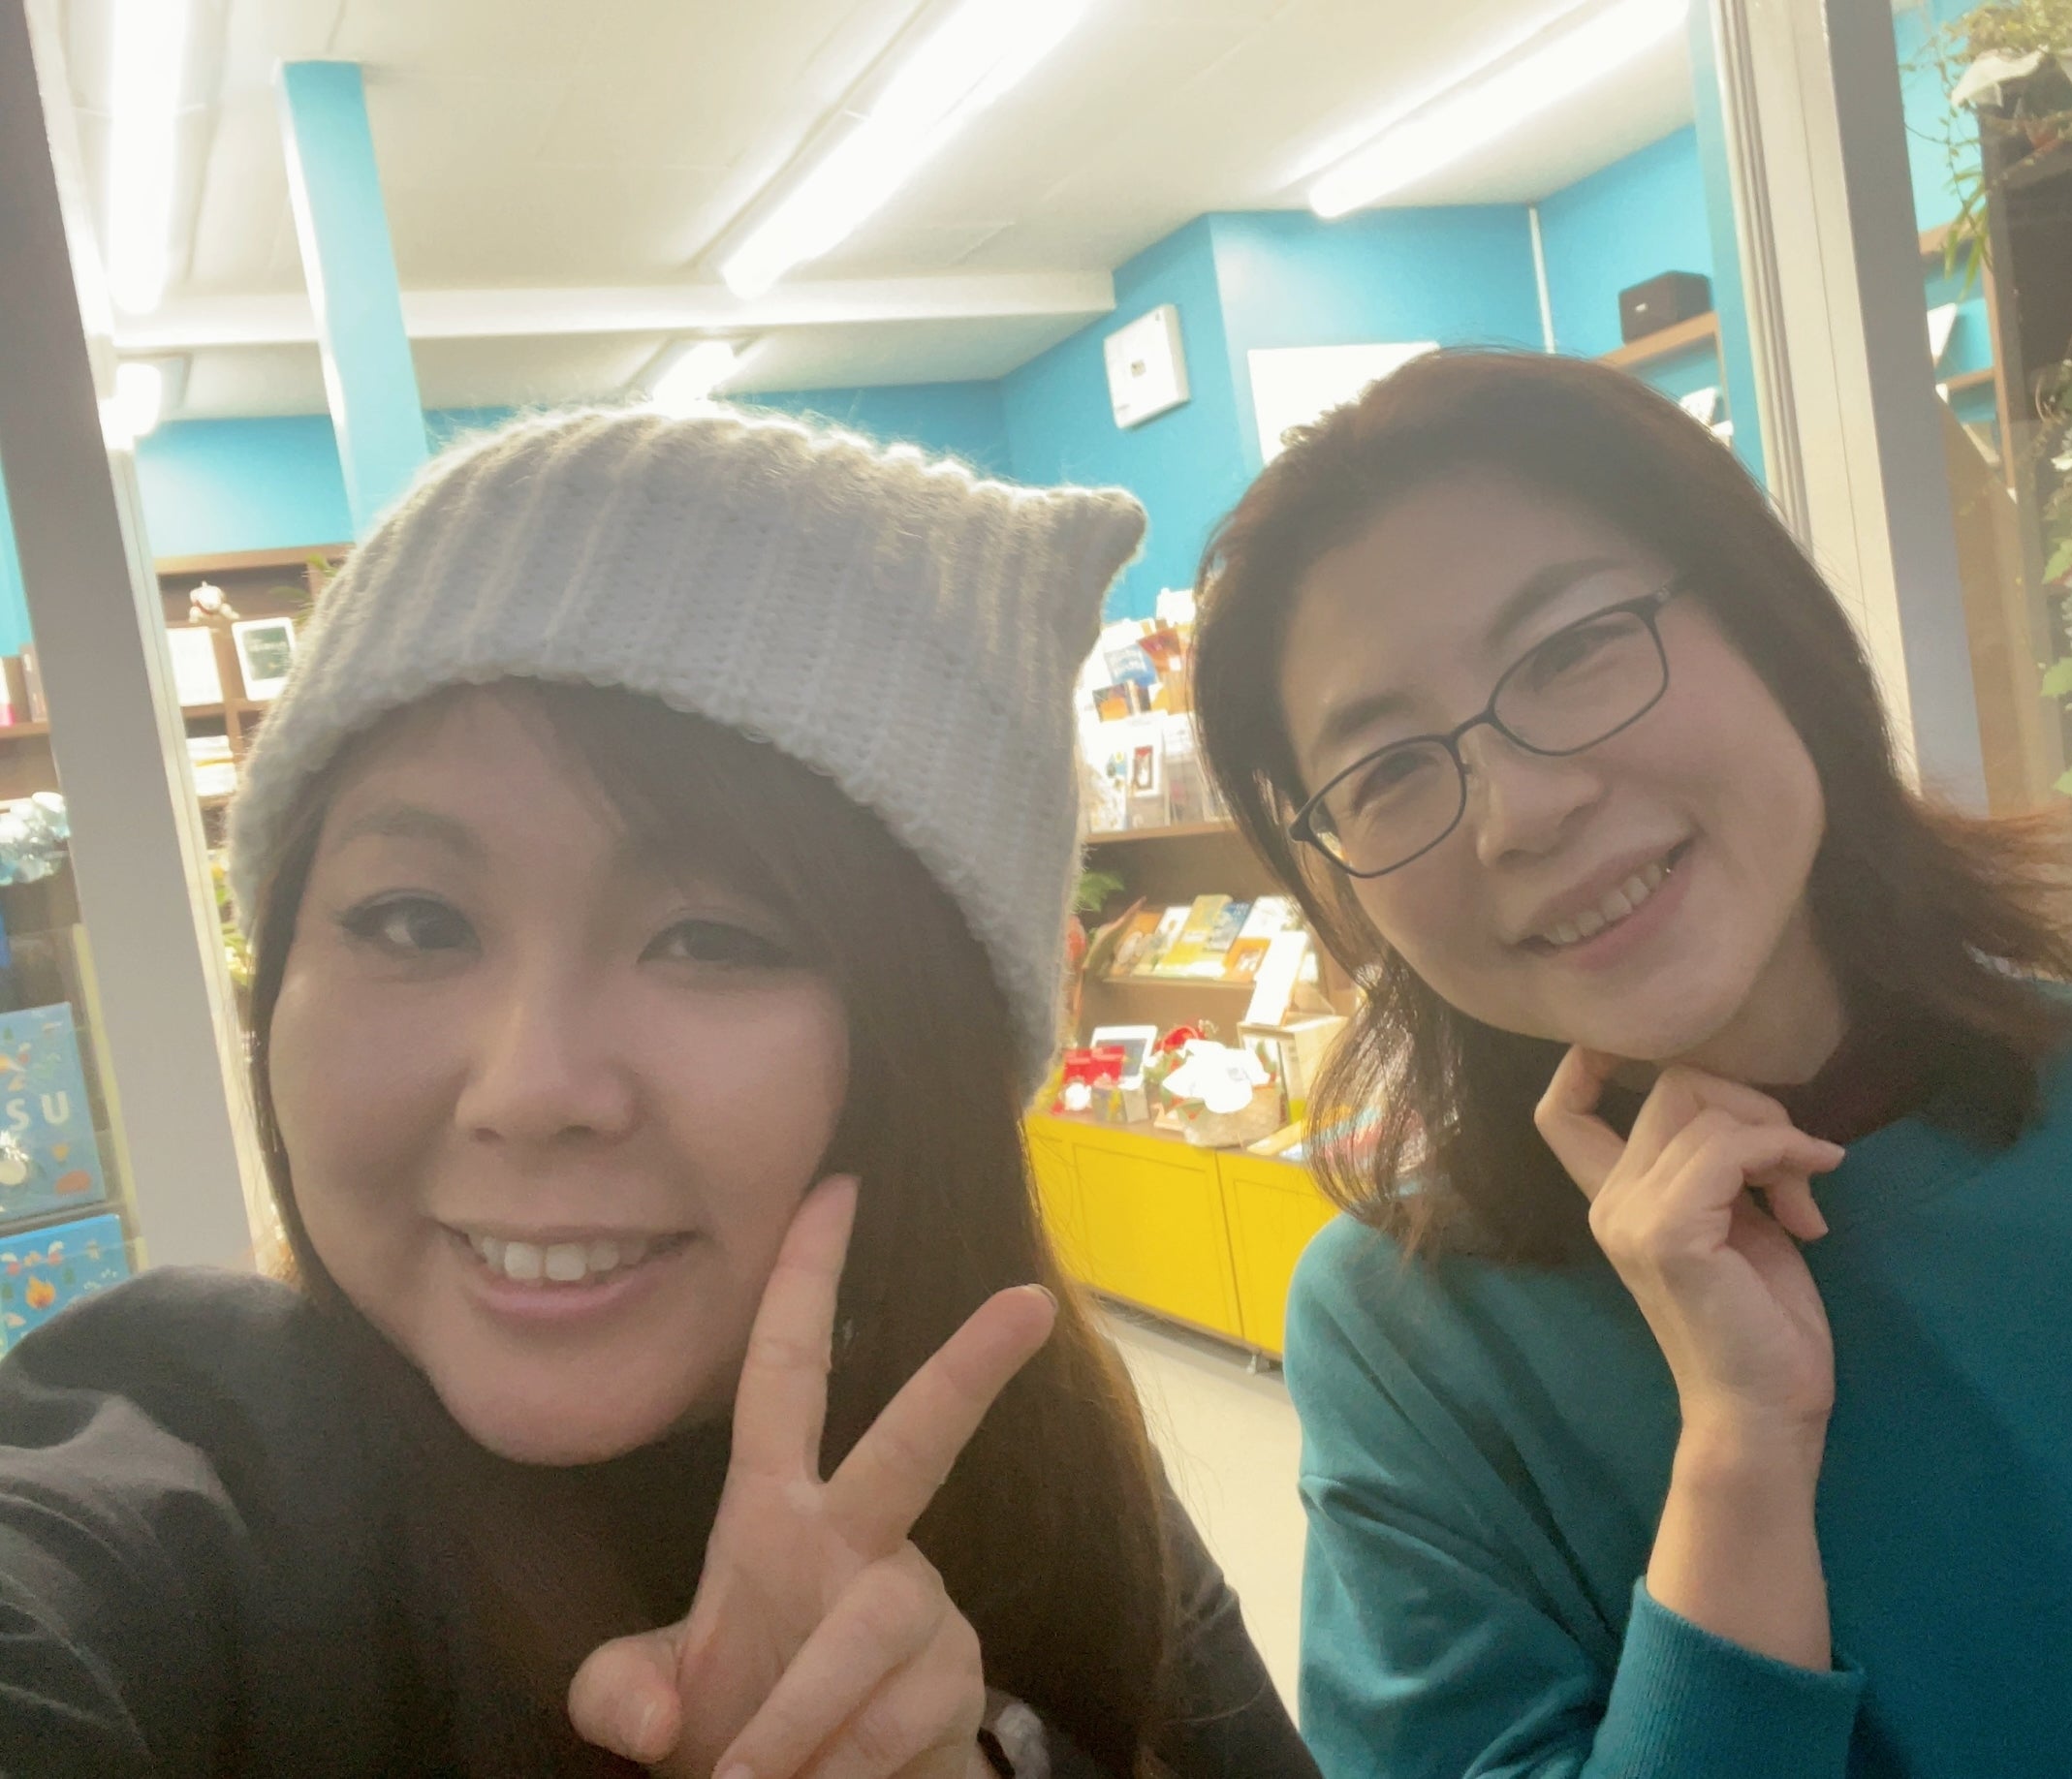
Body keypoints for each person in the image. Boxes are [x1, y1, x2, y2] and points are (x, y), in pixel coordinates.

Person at [0, 408, 1317, 1779]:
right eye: (413, 920)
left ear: (925, 1047)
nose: (530, 1089)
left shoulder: (1039, 1477)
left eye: (712, 939)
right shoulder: (183, 1470)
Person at [1189, 349, 2072, 1778]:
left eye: (1571, 651)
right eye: (1384, 773)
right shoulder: (1411, 1335)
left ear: (1772, 629)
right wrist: (1739, 1459)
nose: (1523, 811)